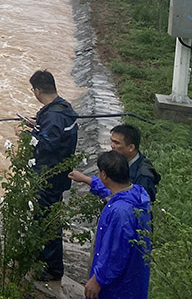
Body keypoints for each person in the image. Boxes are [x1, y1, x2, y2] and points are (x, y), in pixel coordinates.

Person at [25, 69, 78, 282]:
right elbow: (54, 137)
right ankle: (42, 259)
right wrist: (36, 125)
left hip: (48, 176)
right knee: (46, 218)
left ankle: (52, 269)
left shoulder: (54, 116)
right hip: (57, 175)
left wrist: (28, 136)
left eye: (33, 90)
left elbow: (47, 144)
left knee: (47, 222)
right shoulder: (62, 108)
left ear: (37, 90)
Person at [83, 150, 151, 299]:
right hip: (132, 281)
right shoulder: (137, 195)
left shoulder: (121, 211)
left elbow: (117, 251)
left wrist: (98, 279)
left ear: (105, 175)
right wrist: (85, 179)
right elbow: (109, 191)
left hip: (116, 287)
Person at [69, 123, 161, 202]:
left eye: (117, 143)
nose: (112, 146)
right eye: (111, 141)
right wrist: (85, 179)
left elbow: (134, 201)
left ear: (131, 147)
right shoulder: (122, 162)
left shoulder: (143, 175)